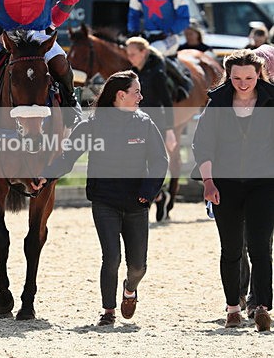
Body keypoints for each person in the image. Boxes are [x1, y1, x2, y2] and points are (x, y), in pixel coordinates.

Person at [31, 71, 168, 326]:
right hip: (104, 201)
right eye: (136, 91)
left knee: (138, 266)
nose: (141, 96)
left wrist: (147, 194)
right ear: (121, 95)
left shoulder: (145, 122)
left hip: (137, 203)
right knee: (111, 257)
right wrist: (45, 177)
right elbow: (66, 159)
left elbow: (160, 161)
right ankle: (108, 311)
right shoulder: (92, 125)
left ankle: (130, 289)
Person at [192, 49, 274, 331]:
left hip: (264, 184)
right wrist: (208, 182)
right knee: (231, 249)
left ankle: (261, 306)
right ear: (229, 75)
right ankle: (232, 308)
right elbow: (202, 144)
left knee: (261, 246)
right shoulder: (216, 104)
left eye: (249, 77)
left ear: (259, 74)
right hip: (225, 184)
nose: (243, 83)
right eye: (237, 77)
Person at [125, 36, 176, 220]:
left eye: (133, 54)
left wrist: (170, 130)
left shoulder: (157, 73)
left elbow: (167, 101)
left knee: (152, 164)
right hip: (134, 124)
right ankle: (160, 196)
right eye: (128, 54)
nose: (130, 57)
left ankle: (157, 196)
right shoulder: (130, 74)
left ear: (144, 52)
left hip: (155, 125)